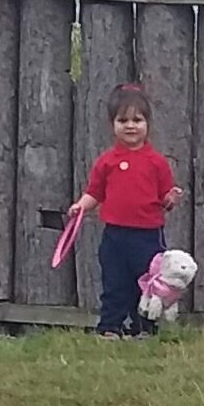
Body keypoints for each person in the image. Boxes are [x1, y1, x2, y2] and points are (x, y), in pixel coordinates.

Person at [65, 83, 181, 337]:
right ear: (112, 124)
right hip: (115, 235)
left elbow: (166, 196)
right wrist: (80, 206)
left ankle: (144, 328)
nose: (130, 126)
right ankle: (110, 327)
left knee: (147, 285)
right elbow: (94, 193)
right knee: (114, 283)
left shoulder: (157, 163)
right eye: (123, 120)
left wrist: (171, 198)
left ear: (147, 124)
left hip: (148, 236)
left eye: (137, 120)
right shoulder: (107, 161)